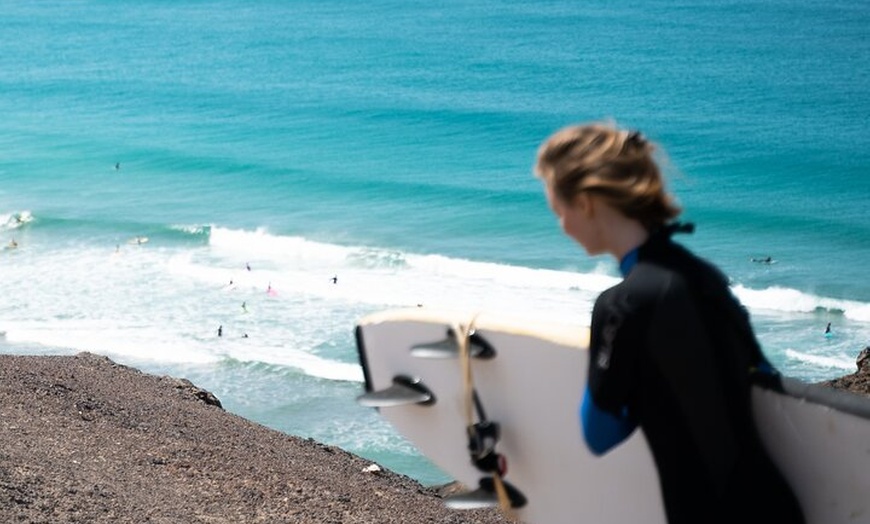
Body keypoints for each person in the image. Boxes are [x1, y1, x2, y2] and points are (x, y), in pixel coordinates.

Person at [534, 122, 804, 524]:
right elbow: (758, 373)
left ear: (587, 202)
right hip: (777, 506)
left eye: (559, 210)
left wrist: (637, 386)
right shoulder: (704, 276)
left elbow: (598, 434)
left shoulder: (622, 304)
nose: (561, 225)